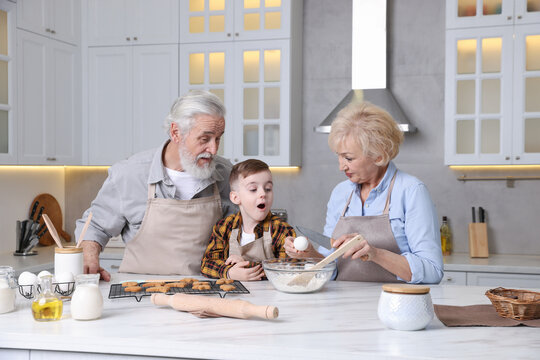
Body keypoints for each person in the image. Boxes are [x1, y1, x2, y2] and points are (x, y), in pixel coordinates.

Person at [75, 90, 236, 280]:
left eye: (218, 138)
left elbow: (243, 230)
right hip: (140, 293)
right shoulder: (130, 174)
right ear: (176, 132)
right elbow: (95, 226)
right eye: (205, 139)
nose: (213, 149)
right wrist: (89, 257)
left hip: (206, 290)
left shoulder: (225, 174)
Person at [284, 101, 443, 284]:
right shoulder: (340, 194)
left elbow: (432, 271)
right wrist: (310, 254)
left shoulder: (411, 192)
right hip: (344, 305)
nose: (341, 166)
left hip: (395, 305)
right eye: (338, 156)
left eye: (348, 158)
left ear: (378, 155)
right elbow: (331, 268)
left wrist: (375, 254)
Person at [201, 159, 296, 281]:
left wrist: (246, 265)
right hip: (233, 297)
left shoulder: (281, 230)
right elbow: (207, 264)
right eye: (253, 189)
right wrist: (229, 272)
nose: (263, 194)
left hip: (270, 297)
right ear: (235, 197)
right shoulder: (224, 227)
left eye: (268, 188)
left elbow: (289, 268)